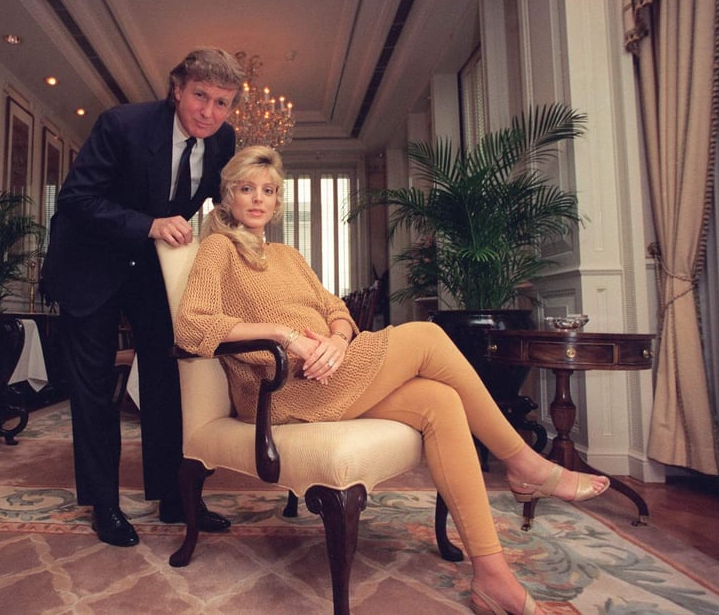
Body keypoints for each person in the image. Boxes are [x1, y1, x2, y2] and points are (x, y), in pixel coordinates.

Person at [173, 146, 610, 615]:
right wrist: (282, 336)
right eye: (246, 189)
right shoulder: (219, 248)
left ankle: (493, 576)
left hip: (331, 371)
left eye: (268, 191)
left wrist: (340, 340)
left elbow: (336, 310)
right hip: (281, 389)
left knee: (440, 400)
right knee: (425, 335)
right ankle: (525, 464)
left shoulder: (289, 256)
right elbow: (192, 326)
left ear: (279, 203)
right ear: (228, 197)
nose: (257, 200)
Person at [41, 47, 245, 547]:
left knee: (169, 377)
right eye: (201, 96)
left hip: (150, 269)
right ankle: (103, 505)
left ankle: (175, 496)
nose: (209, 112)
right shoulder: (122, 125)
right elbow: (76, 199)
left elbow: (225, 206)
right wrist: (149, 224)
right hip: (89, 263)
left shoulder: (223, 141)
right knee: (93, 389)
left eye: (222, 103)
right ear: (178, 89)